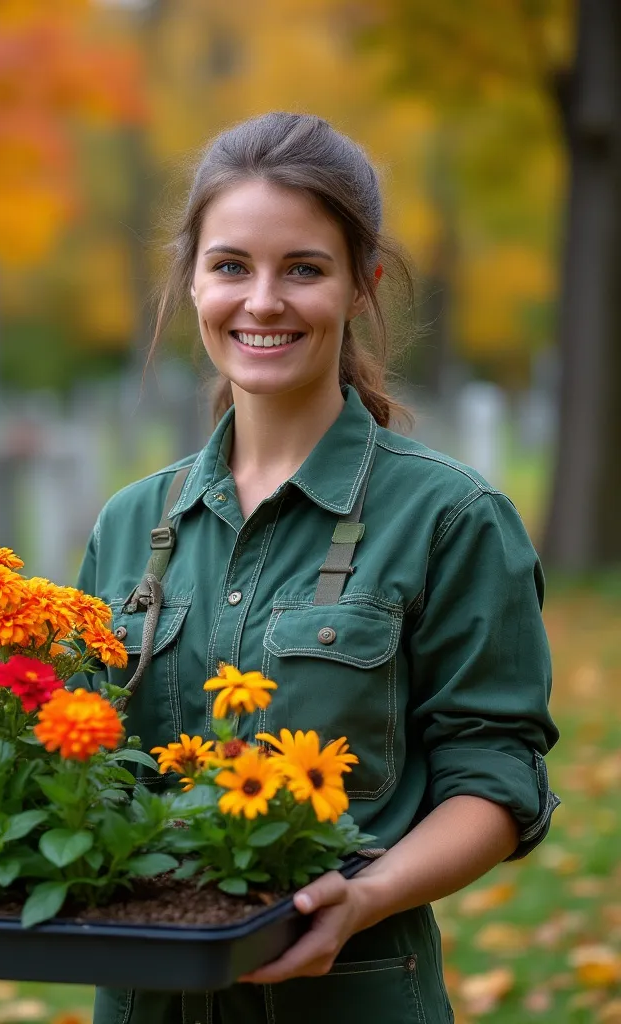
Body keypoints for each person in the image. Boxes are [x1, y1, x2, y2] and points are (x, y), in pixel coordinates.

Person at [75, 112, 559, 1024]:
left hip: (353, 998)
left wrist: (366, 896)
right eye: (230, 266)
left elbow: (496, 780)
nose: (262, 302)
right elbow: (78, 759)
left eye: (303, 268)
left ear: (361, 284)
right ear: (192, 281)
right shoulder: (133, 521)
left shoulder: (451, 519)